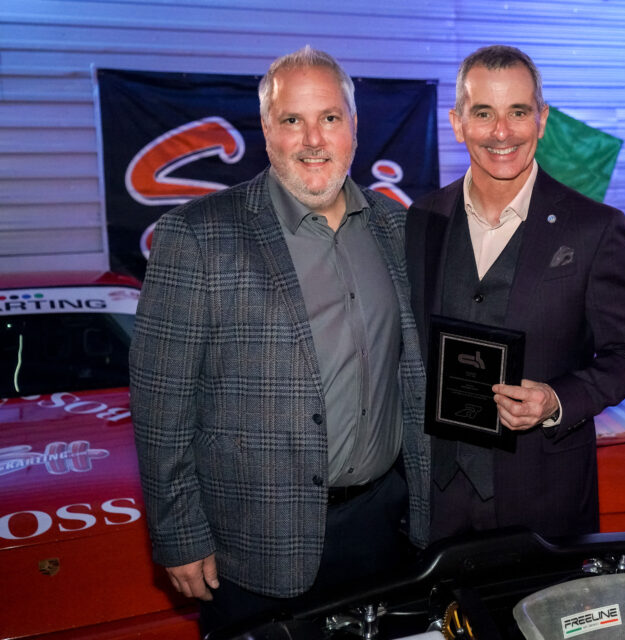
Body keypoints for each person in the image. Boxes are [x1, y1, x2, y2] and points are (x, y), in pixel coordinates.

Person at [129, 46, 429, 634]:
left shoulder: (398, 231)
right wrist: (177, 533)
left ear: (353, 127)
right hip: (253, 548)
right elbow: (160, 402)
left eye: (330, 118)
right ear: (267, 129)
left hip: (384, 532)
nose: (313, 138)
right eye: (293, 120)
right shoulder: (198, 235)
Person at [405, 45, 625, 542]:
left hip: (543, 498)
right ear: (458, 123)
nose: (502, 132)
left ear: (541, 120)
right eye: (484, 113)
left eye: (518, 112)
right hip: (433, 502)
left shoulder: (595, 227)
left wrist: (557, 399)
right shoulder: (421, 219)